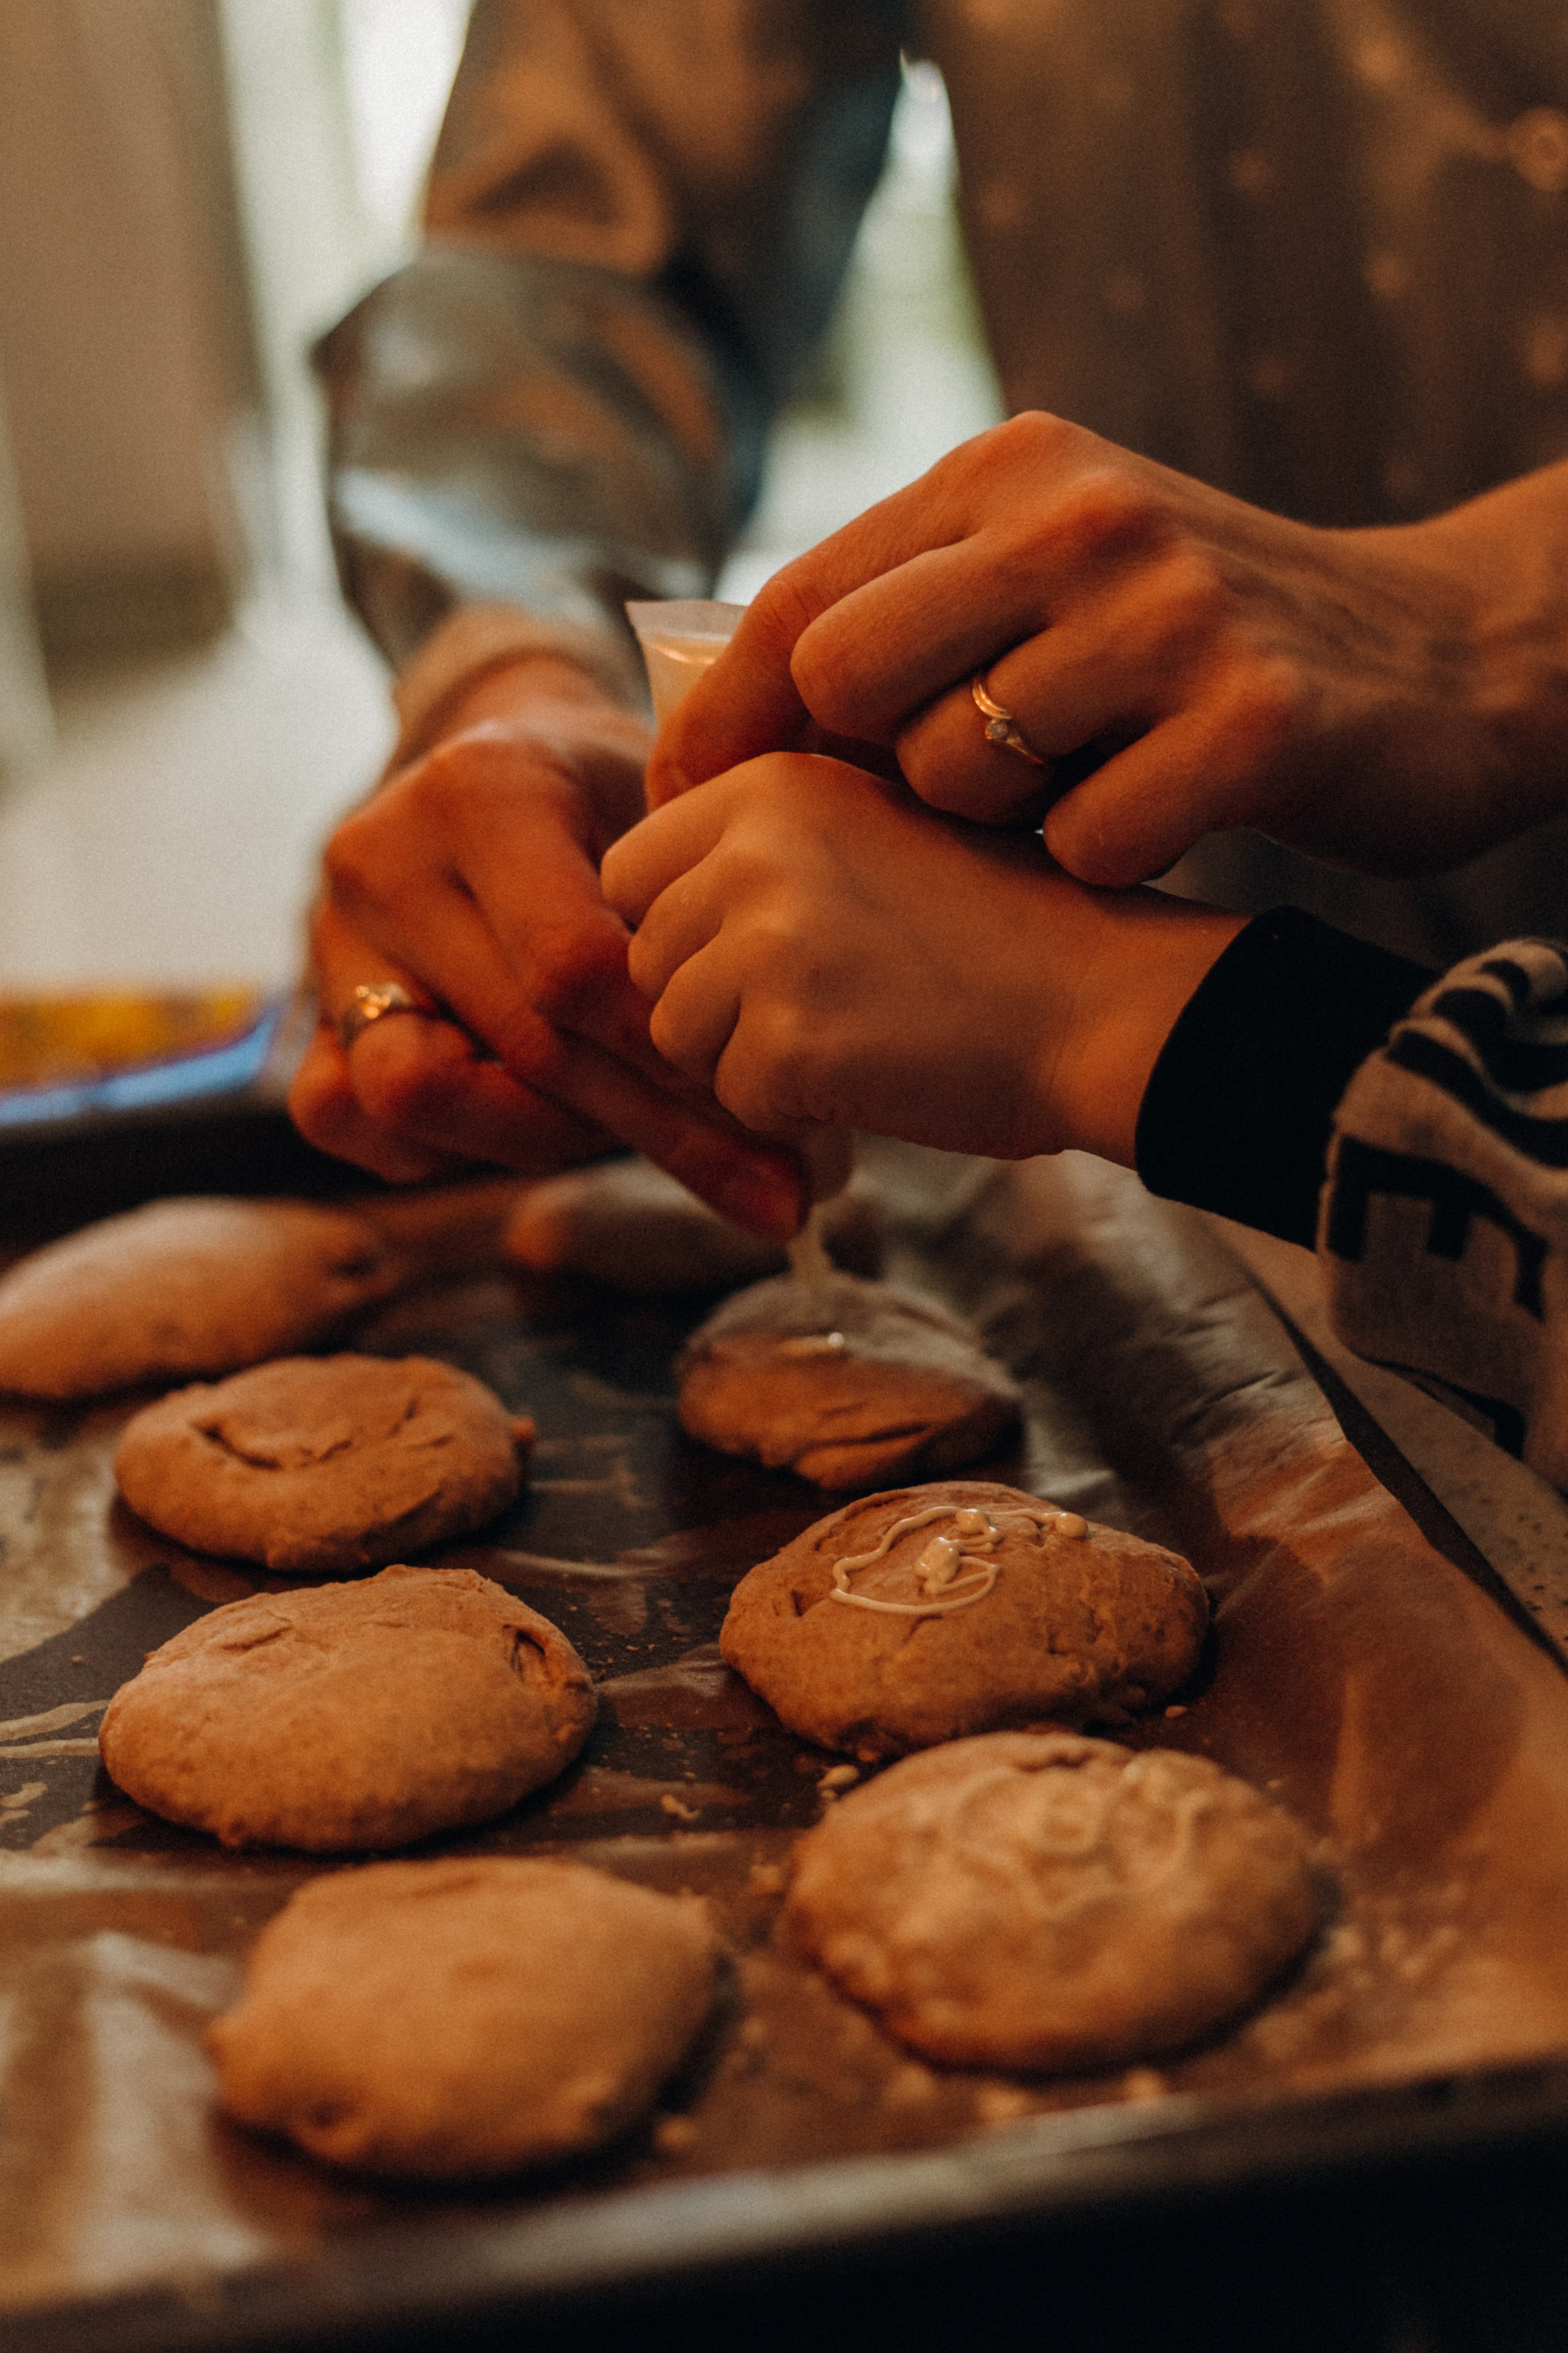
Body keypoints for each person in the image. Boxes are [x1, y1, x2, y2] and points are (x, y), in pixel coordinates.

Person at [287, 1, 1568, 1475]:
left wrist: (1487, 621)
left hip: (1182, 1023)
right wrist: (508, 672)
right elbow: (577, 235)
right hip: (1207, 1043)